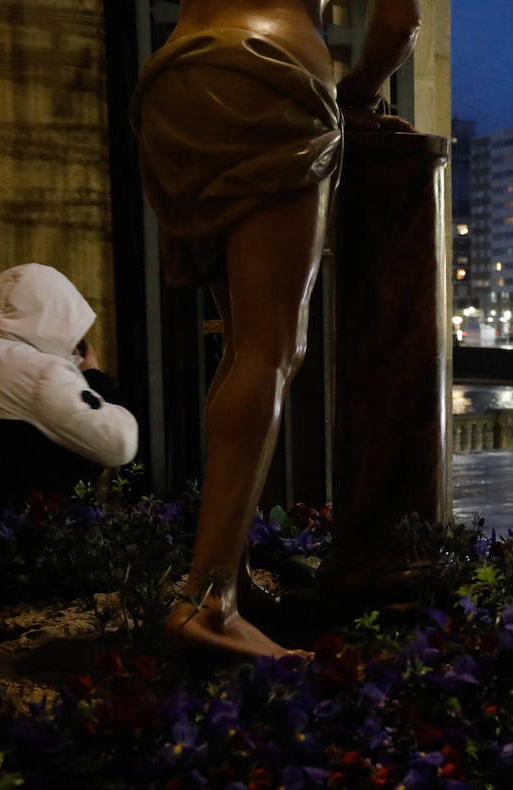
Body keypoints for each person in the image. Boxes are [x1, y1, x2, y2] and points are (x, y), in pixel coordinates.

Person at [129, 0, 422, 659]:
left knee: (240, 348)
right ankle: (207, 604)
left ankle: (225, 574)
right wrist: (359, 94)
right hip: (272, 80)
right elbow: (400, 20)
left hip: (174, 79)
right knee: (272, 347)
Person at [0, 264, 139, 516]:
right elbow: (119, 443)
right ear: (57, 317)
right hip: (23, 537)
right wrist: (92, 373)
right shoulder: (43, 374)